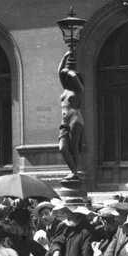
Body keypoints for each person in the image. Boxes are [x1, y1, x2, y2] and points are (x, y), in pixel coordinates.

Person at [58, 50, 85, 178]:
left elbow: (74, 77)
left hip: (75, 118)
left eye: (69, 77)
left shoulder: (79, 90)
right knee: (62, 148)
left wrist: (68, 71)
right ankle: (73, 170)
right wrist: (65, 57)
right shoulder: (65, 88)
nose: (67, 79)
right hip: (64, 122)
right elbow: (59, 72)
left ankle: (74, 172)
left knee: (74, 147)